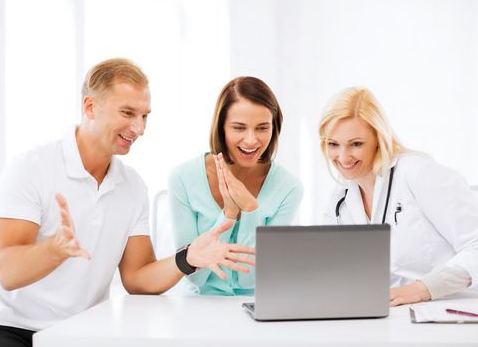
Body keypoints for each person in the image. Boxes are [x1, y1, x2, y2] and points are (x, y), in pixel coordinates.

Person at [0, 58, 255, 346]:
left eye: (145, 116)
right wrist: (54, 250)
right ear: (90, 107)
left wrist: (187, 258)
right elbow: (8, 273)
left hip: (80, 330)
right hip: (5, 327)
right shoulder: (31, 167)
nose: (139, 128)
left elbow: (137, 279)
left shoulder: (132, 186)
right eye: (128, 113)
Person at [318, 86, 478, 306]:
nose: (343, 157)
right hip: (390, 314)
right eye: (333, 144)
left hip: (452, 308)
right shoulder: (340, 202)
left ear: (378, 138)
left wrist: (423, 289)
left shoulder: (418, 174)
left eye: (356, 144)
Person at [168, 76, 303, 296]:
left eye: (262, 128)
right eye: (239, 128)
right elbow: (194, 275)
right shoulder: (183, 178)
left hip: (257, 305)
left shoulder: (289, 188)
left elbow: (251, 280)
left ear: (274, 127)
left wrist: (251, 210)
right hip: (197, 306)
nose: (251, 140)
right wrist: (230, 215)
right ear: (221, 127)